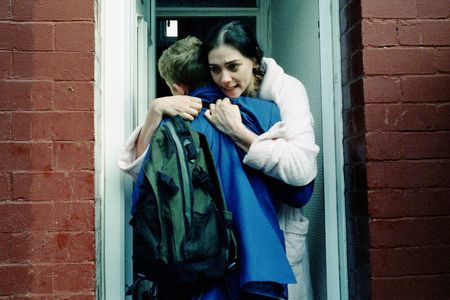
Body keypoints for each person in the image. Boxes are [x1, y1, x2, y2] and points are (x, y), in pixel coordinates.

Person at [119, 36, 313, 299]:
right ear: (211, 74)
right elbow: (298, 193)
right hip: (257, 267)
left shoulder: (170, 131)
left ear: (177, 88)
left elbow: (142, 205)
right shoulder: (265, 113)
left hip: (199, 270)